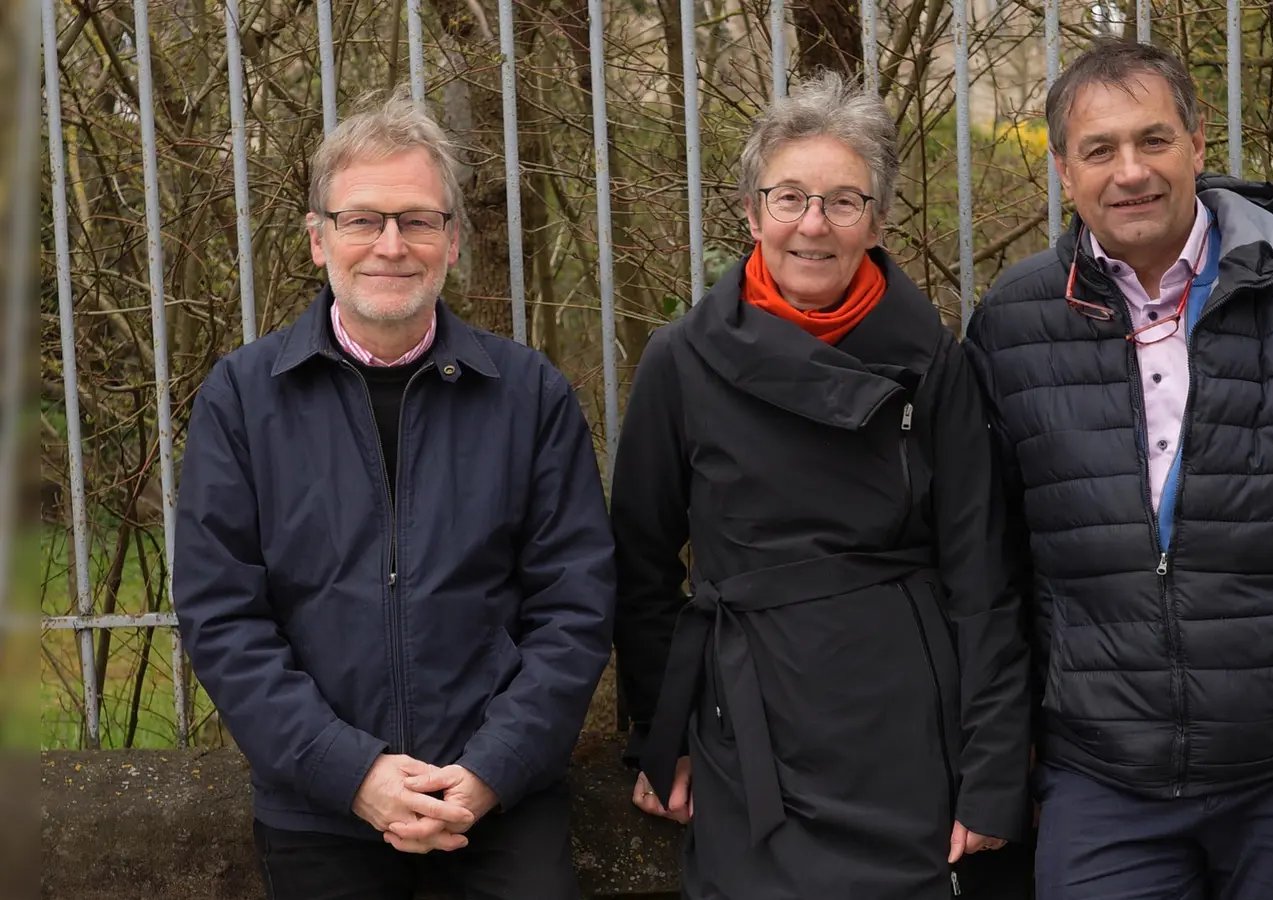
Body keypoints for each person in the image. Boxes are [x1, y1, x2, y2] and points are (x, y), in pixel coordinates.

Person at [964, 38, 1273, 900]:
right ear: (1066, 175)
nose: (1130, 171)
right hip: (1101, 779)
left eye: (1153, 140)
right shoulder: (1011, 326)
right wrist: (1002, 759)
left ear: (1196, 145)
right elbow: (989, 563)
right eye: (1099, 150)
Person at [173, 89, 616, 900]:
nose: (390, 244)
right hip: (322, 811)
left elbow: (576, 607)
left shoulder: (530, 396)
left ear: (451, 241)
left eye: (416, 220)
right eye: (362, 219)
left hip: (498, 810)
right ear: (318, 240)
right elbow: (221, 614)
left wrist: (491, 769)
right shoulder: (240, 399)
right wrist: (353, 772)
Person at [610, 71, 1031, 899]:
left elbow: (985, 579)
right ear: (749, 209)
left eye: (844, 202)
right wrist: (663, 742)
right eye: (790, 197)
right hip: (746, 723)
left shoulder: (938, 363)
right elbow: (642, 567)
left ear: (877, 219)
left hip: (907, 727)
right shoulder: (680, 361)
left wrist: (991, 773)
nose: (813, 225)